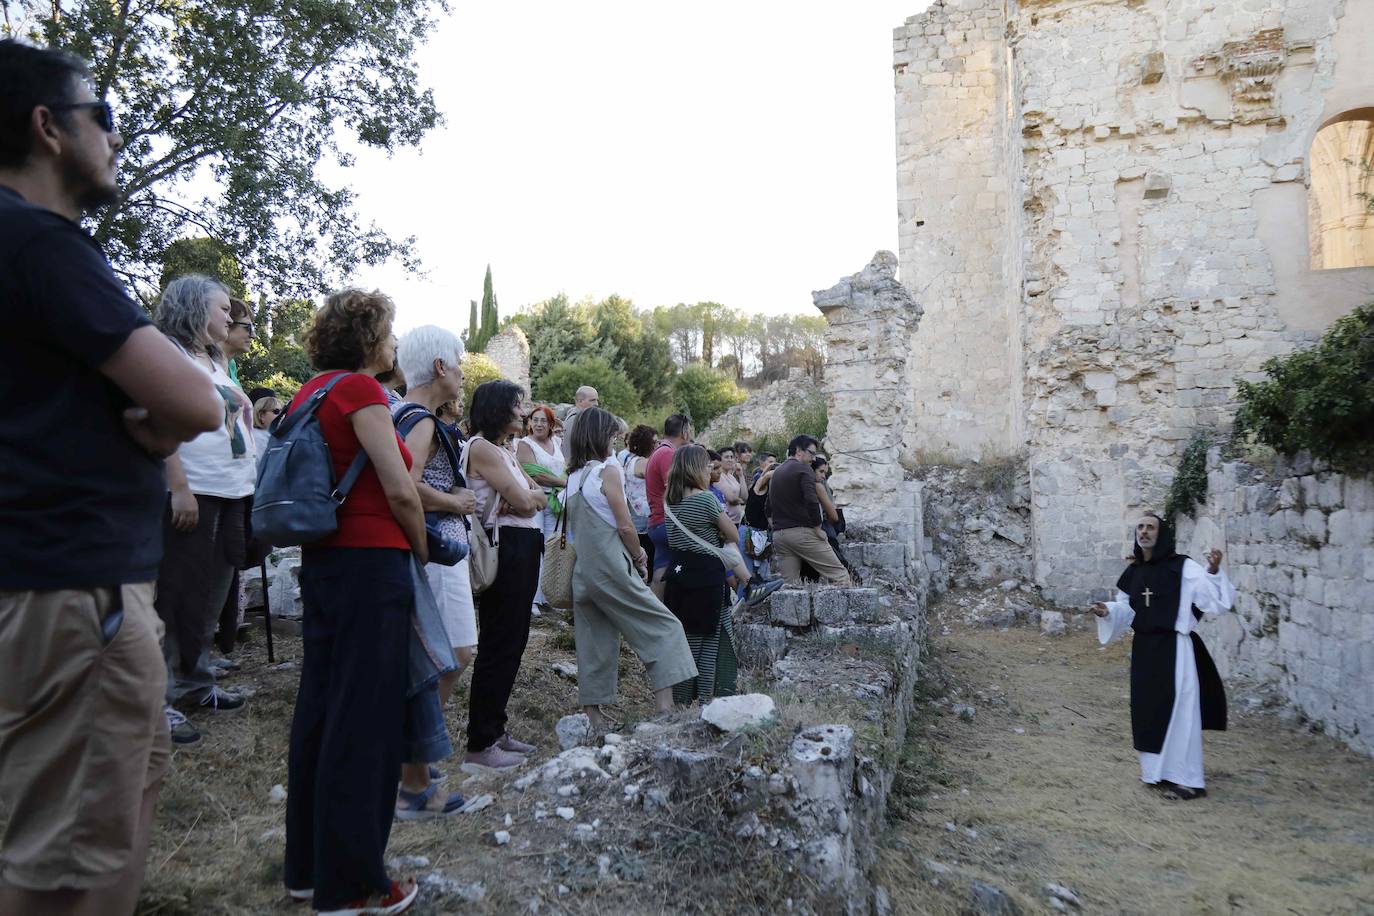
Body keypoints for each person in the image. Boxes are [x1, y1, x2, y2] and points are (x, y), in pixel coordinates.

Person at [0, 38, 222, 916]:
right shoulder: (41, 245)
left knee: (123, 798)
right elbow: (197, 402)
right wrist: (164, 416)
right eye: (107, 118)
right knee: (64, 858)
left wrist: (156, 416)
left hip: (56, 584)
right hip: (72, 586)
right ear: (49, 127)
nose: (117, 139)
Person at [282, 289, 427, 914]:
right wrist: (419, 550)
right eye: (391, 333)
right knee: (366, 723)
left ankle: (307, 869)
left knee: (320, 710)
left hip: (325, 564)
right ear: (370, 338)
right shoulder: (362, 392)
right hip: (372, 565)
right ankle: (354, 885)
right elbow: (399, 491)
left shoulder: (308, 393)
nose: (396, 343)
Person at [153, 275, 257, 738]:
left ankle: (196, 683)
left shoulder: (215, 360)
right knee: (174, 594)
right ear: (194, 309)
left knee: (213, 593)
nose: (228, 317)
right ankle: (157, 697)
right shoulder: (166, 353)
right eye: (220, 309)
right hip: (195, 487)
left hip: (232, 488)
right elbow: (159, 420)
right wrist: (178, 486)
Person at [565, 409, 697, 727]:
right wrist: (640, 557)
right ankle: (665, 708)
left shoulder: (572, 477)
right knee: (663, 625)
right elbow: (625, 526)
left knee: (593, 640)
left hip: (584, 572)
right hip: (611, 567)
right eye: (612, 435)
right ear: (600, 437)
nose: (615, 441)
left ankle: (594, 719)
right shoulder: (606, 472)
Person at [393, 325, 478, 819]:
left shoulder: (394, 412)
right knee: (450, 657)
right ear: (441, 367)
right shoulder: (420, 419)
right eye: (460, 363)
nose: (464, 373)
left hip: (422, 549)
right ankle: (411, 763)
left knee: (443, 658)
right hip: (435, 549)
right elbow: (406, 485)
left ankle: (413, 760)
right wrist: (457, 501)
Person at [1090, 513, 1234, 800]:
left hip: (1175, 650)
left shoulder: (1184, 567)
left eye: (1150, 527)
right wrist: (1108, 611)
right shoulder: (1134, 572)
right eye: (1140, 527)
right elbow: (1126, 608)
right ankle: (1156, 774)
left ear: (1161, 533)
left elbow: (1212, 599)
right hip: (1144, 650)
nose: (1144, 532)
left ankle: (1190, 781)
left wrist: (1214, 571)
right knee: (1148, 711)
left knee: (1181, 714)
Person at [463, 380, 547, 772]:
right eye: (516, 406)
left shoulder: (504, 449)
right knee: (500, 642)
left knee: (513, 641)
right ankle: (481, 742)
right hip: (507, 548)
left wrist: (529, 498)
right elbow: (524, 502)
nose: (523, 413)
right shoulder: (481, 448)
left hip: (521, 547)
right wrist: (528, 499)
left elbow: (537, 496)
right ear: (498, 409)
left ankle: (495, 729)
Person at [663, 445, 744, 705]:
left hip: (678, 576)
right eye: (706, 465)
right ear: (696, 468)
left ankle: (681, 699)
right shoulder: (706, 499)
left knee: (684, 644)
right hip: (706, 577)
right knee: (709, 642)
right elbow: (732, 534)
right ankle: (706, 700)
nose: (710, 468)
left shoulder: (669, 501)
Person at [770, 435, 852, 586]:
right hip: (803, 534)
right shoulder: (804, 469)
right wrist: (817, 527)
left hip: (780, 536)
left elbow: (768, 507)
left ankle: (791, 611)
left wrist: (775, 526)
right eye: (811, 453)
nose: (813, 459)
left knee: (790, 588)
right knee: (841, 576)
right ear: (799, 451)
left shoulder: (777, 472)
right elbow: (811, 500)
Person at [517, 404, 566, 613]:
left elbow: (566, 467)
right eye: (534, 420)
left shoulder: (558, 442)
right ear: (529, 423)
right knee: (535, 548)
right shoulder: (524, 444)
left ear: (550, 424)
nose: (538, 424)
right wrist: (562, 482)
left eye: (542, 420)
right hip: (538, 499)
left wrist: (559, 480)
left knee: (554, 547)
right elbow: (533, 473)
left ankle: (550, 596)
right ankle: (532, 599)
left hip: (556, 502)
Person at [646, 413, 692, 599]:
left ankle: (655, 617)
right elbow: (674, 491)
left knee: (661, 573)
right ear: (684, 432)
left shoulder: (659, 451)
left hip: (657, 522)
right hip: (668, 523)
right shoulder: (668, 454)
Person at [618, 424, 657, 570]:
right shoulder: (643, 462)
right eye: (654, 442)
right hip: (644, 518)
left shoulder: (629, 460)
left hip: (635, 516)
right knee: (650, 562)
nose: (657, 445)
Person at [741, 452, 777, 584]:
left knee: (762, 576)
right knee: (748, 577)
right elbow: (766, 476)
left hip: (762, 535)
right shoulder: (760, 485)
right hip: (749, 533)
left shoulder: (774, 492)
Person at [558, 385, 599, 460]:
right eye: (592, 400)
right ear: (580, 401)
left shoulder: (582, 418)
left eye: (596, 400)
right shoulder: (576, 420)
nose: (596, 404)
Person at [222, 297, 254, 387]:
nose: (253, 335)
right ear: (227, 324)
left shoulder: (231, 365)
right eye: (247, 327)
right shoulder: (204, 363)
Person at [716, 446, 745, 525]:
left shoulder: (731, 477)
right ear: (719, 460)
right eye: (726, 457)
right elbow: (732, 499)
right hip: (727, 522)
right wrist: (742, 501)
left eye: (732, 457)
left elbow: (744, 496)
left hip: (736, 522)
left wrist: (741, 475)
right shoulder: (718, 476)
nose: (730, 460)